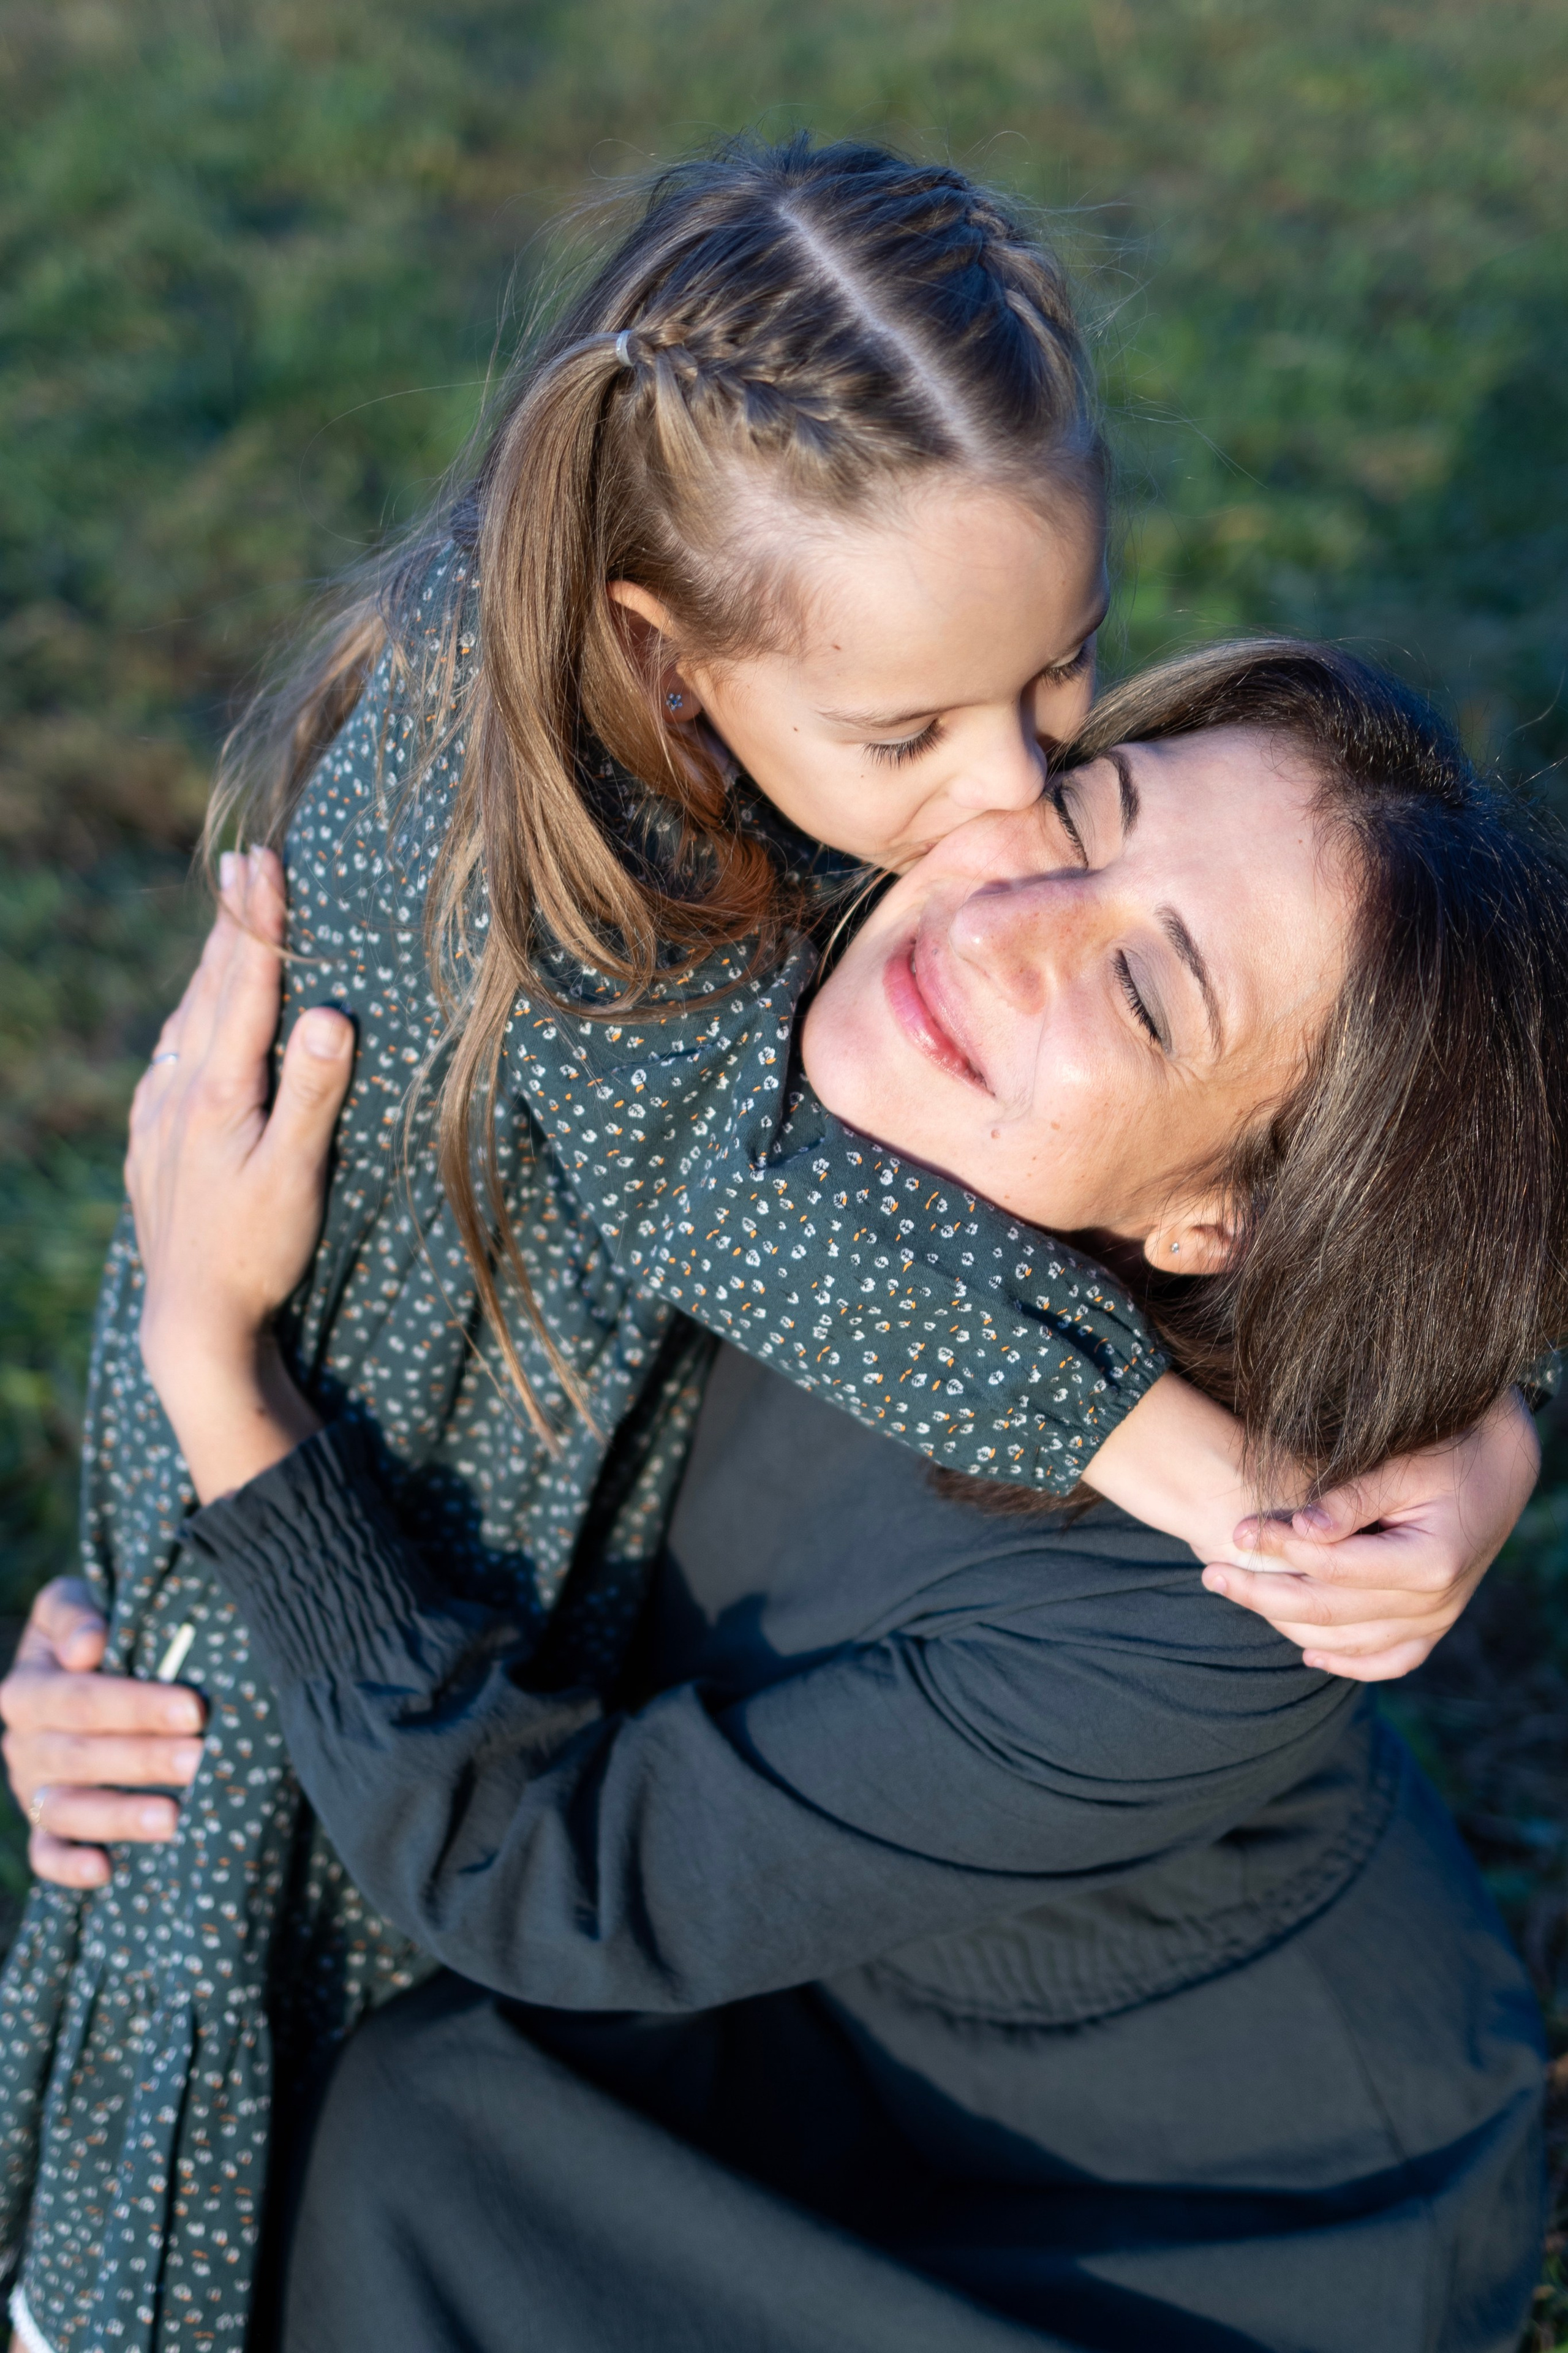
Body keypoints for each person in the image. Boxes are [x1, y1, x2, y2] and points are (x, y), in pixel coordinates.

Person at [0, 136, 1537, 2353]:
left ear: (1230, 1208)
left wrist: (233, 1422)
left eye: (1136, 989)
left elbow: (548, 1870)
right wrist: (141, 1638)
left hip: (1159, 2218)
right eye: (1091, 796)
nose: (999, 855)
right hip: (830, 1965)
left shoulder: (1229, 1587)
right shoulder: (792, 960)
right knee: (413, 2104)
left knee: (425, 2145)